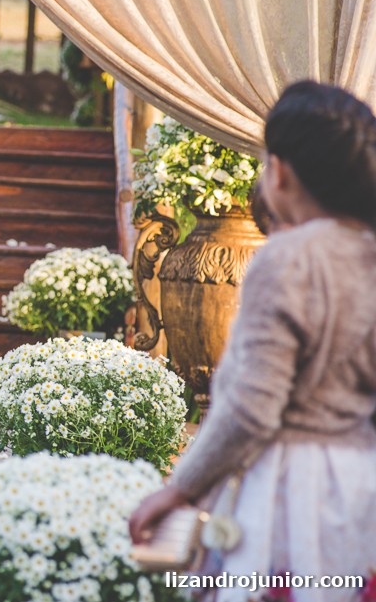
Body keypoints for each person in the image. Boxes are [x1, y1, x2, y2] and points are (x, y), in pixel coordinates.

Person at [129, 81, 376, 600]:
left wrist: (179, 489)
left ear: (280, 173)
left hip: (288, 492)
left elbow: (251, 410)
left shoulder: (289, 258)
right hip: (361, 486)